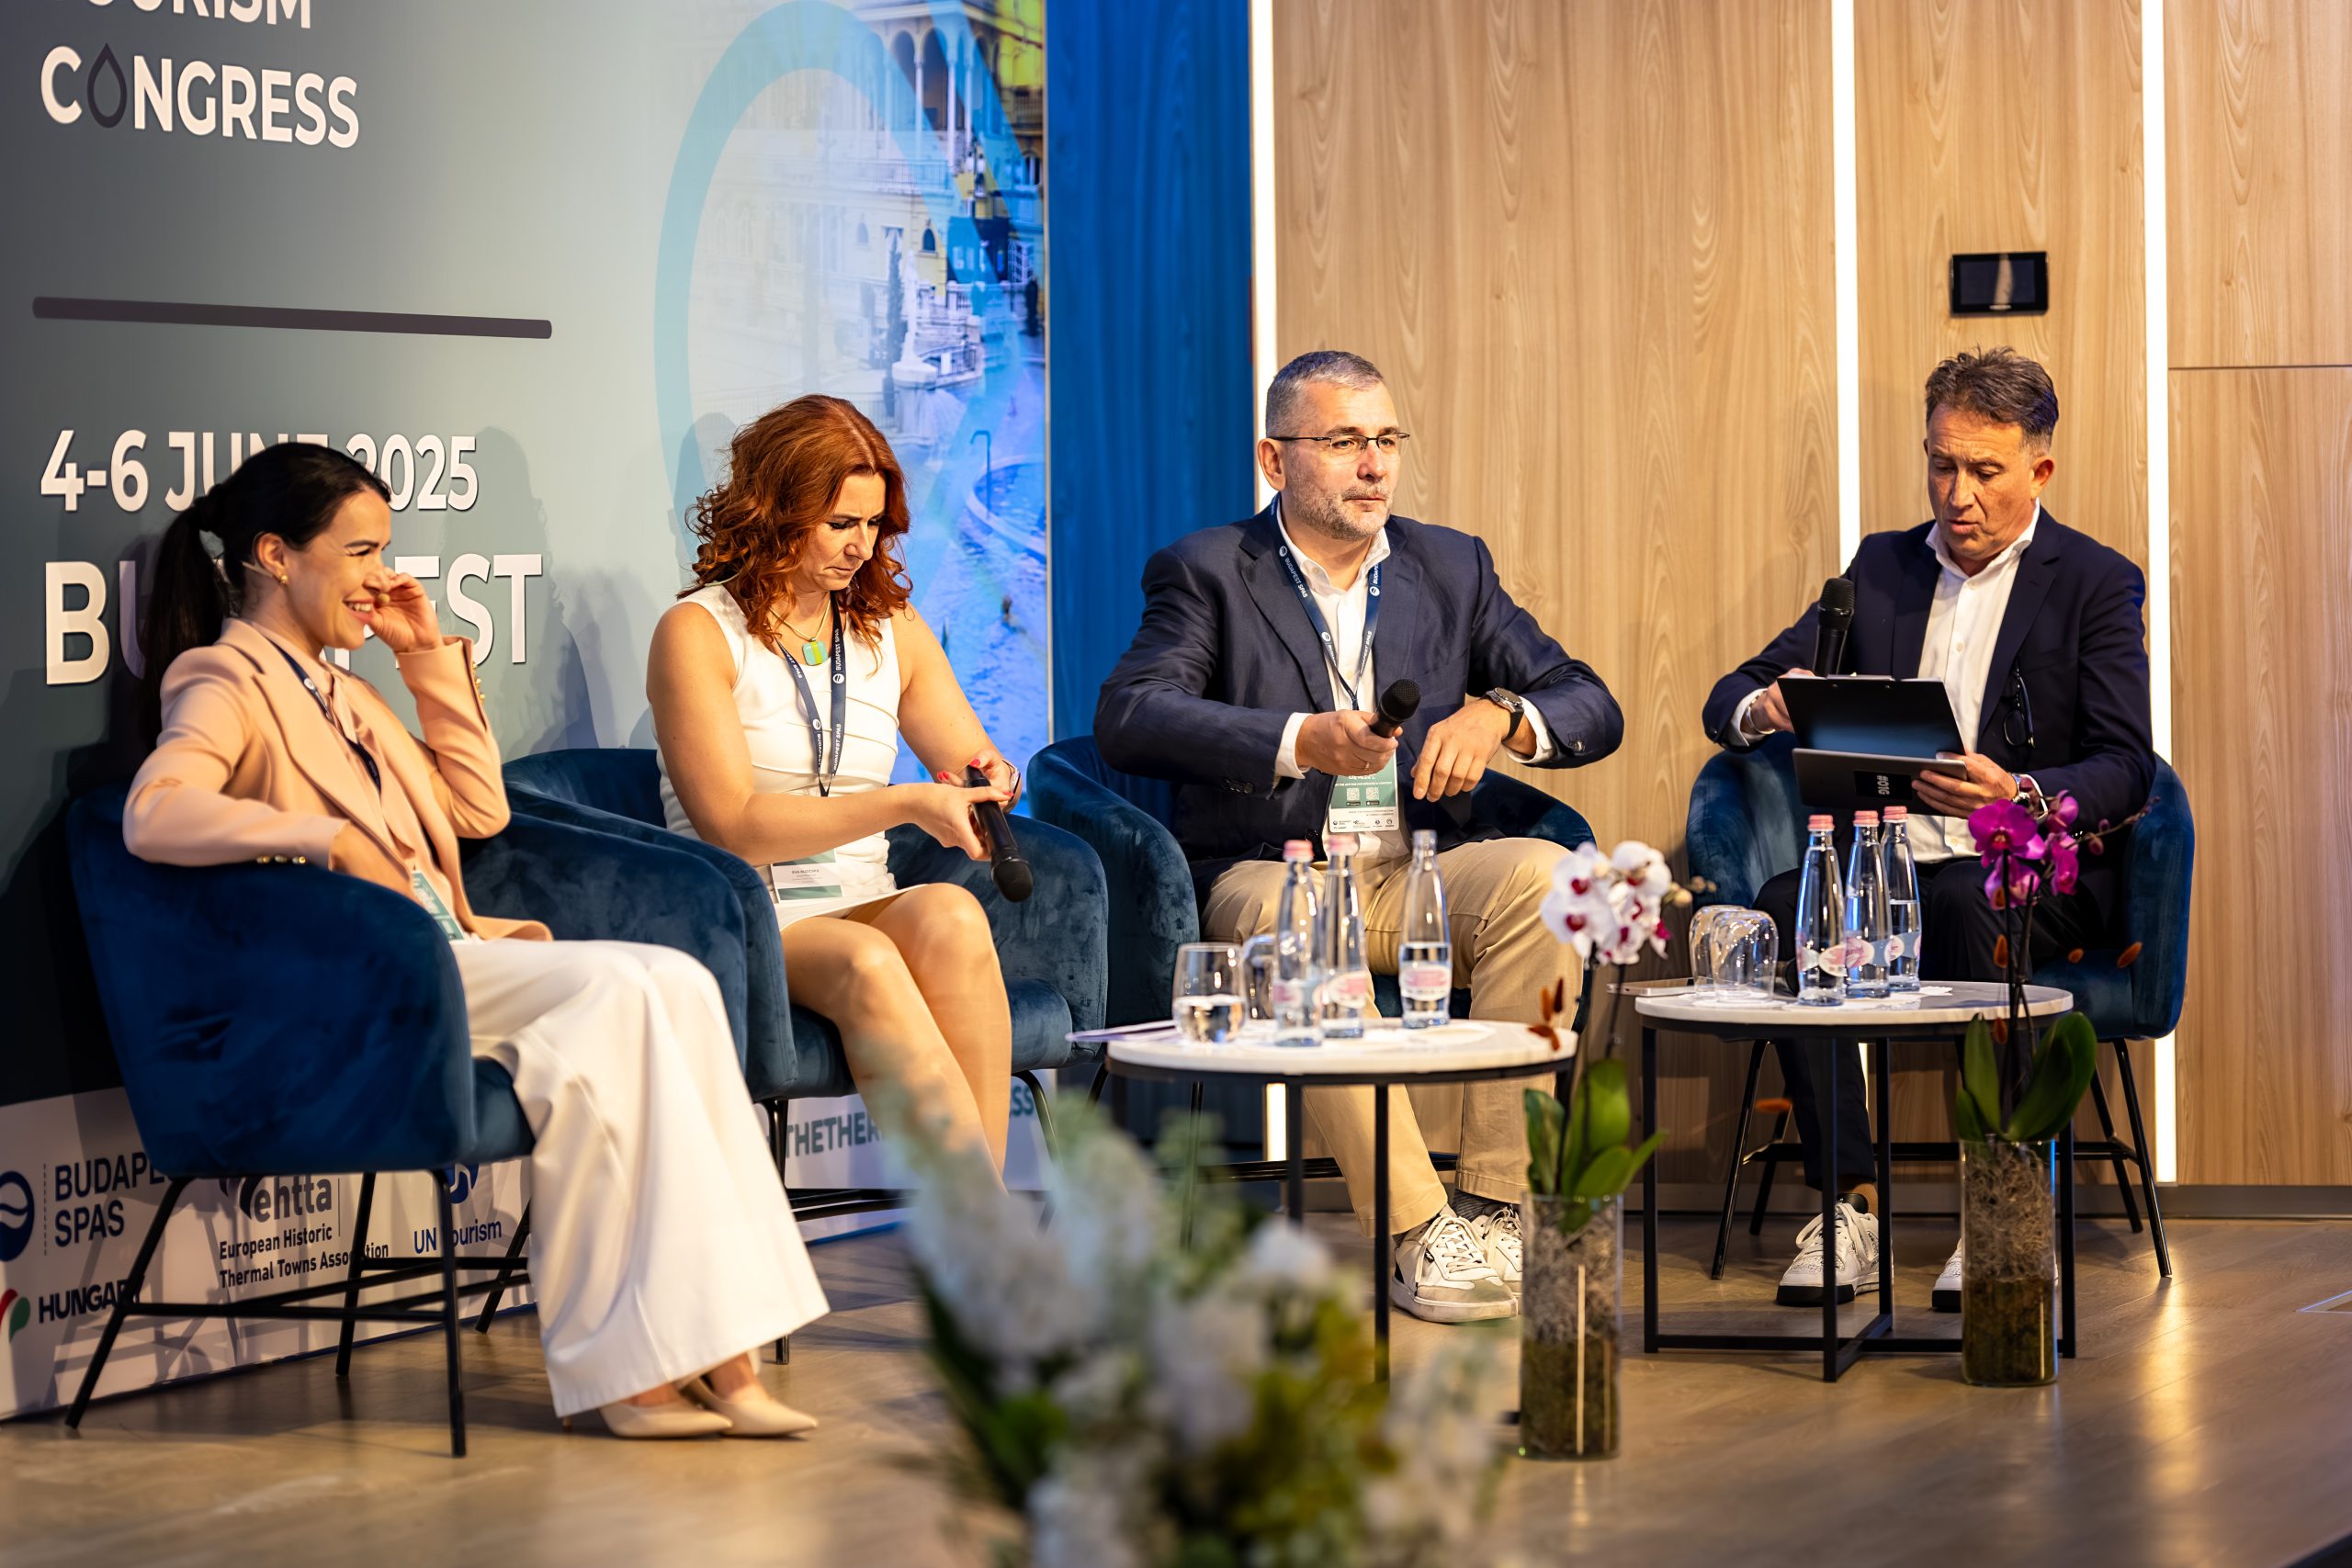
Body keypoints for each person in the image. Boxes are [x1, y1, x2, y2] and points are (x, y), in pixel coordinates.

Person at [126, 443, 827, 1439]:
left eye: (385, 550)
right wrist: (326, 838)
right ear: (275, 555)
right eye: (360, 551)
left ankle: (708, 1361)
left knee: (670, 985)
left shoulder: (346, 690)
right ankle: (654, 1371)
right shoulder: (224, 677)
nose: (380, 575)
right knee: (620, 993)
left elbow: (478, 810)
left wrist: (423, 657)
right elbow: (153, 811)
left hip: (447, 952)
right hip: (373, 978)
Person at [1095, 350, 1623, 1324]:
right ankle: (1417, 1227)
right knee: (1302, 922)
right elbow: (1130, 714)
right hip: (1273, 871)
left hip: (1417, 865)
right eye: (1343, 442)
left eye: (1385, 440)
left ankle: (1500, 1207)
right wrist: (1299, 741)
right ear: (1275, 458)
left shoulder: (1450, 565)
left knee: (1553, 880)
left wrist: (1502, 715)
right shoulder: (1207, 570)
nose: (1374, 464)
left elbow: (1588, 700)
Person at [1702, 346, 2153, 1312]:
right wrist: (1766, 706)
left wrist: (2017, 790)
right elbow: (1730, 695)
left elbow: (2127, 764)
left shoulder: (2095, 583)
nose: (1957, 494)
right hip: (1884, 855)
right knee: (1791, 906)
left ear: (2039, 469)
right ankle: (1850, 1207)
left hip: (2015, 868)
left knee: (1960, 906)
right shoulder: (1880, 569)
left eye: (1984, 470)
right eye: (1941, 464)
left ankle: (1999, 1208)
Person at [649, 394, 1022, 1172]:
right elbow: (734, 825)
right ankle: (984, 1228)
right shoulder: (696, 632)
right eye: (841, 523)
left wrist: (990, 781)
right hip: (750, 911)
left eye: (875, 524)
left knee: (953, 913)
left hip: (860, 892)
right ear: (775, 512)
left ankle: (977, 1219)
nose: (863, 546)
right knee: (867, 959)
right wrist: (910, 802)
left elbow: (968, 755)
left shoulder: (892, 627)